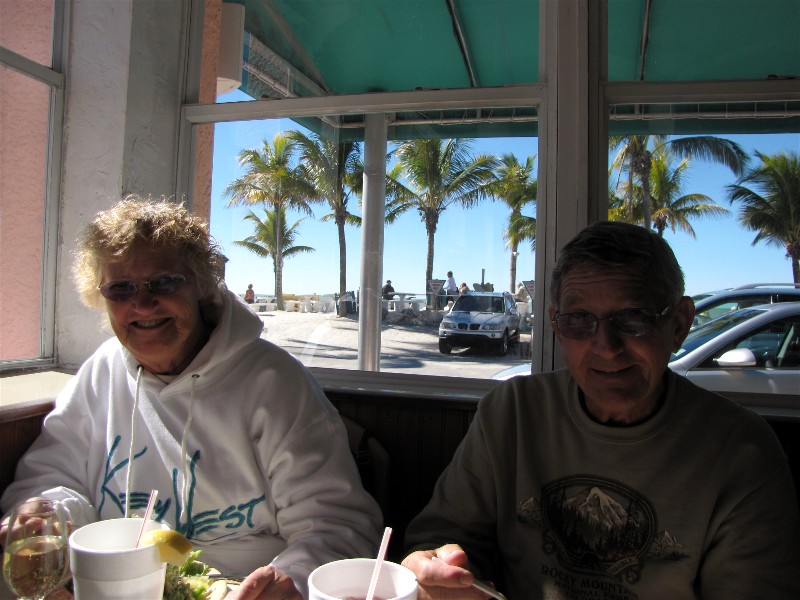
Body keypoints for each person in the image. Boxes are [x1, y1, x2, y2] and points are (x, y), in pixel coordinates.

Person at [0, 196, 382, 600]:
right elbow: (50, 480)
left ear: (200, 284)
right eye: (120, 289)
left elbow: (338, 527)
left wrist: (293, 580)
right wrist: (48, 513)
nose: (142, 303)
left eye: (164, 282)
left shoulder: (275, 383)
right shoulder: (100, 373)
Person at [402, 221, 800, 599]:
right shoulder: (512, 413)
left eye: (633, 318)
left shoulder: (741, 453)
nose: (607, 346)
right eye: (579, 320)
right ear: (556, 327)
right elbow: (442, 539)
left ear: (679, 325)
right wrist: (439, 570)